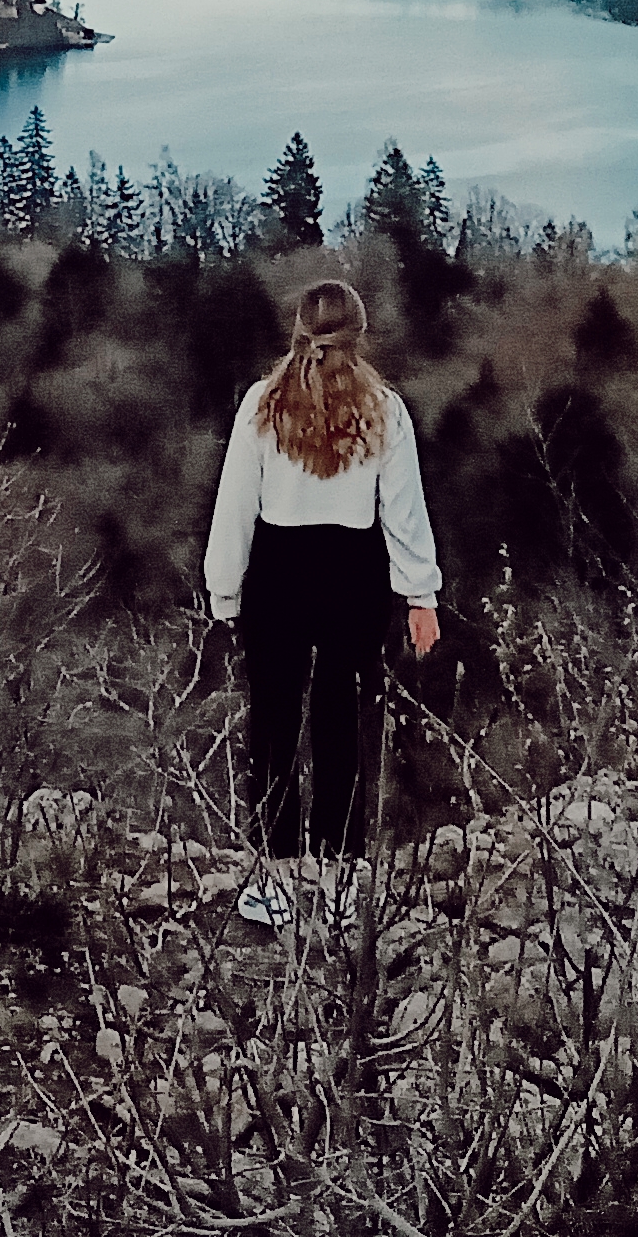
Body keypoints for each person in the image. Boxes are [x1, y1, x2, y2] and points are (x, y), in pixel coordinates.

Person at [201, 277, 443, 926]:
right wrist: (421, 595)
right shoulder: (384, 408)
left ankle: (274, 881)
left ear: (299, 329)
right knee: (342, 724)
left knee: (273, 727)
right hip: (353, 575)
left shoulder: (262, 404)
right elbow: (404, 511)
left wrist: (224, 590)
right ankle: (338, 881)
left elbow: (235, 510)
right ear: (359, 333)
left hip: (278, 573)